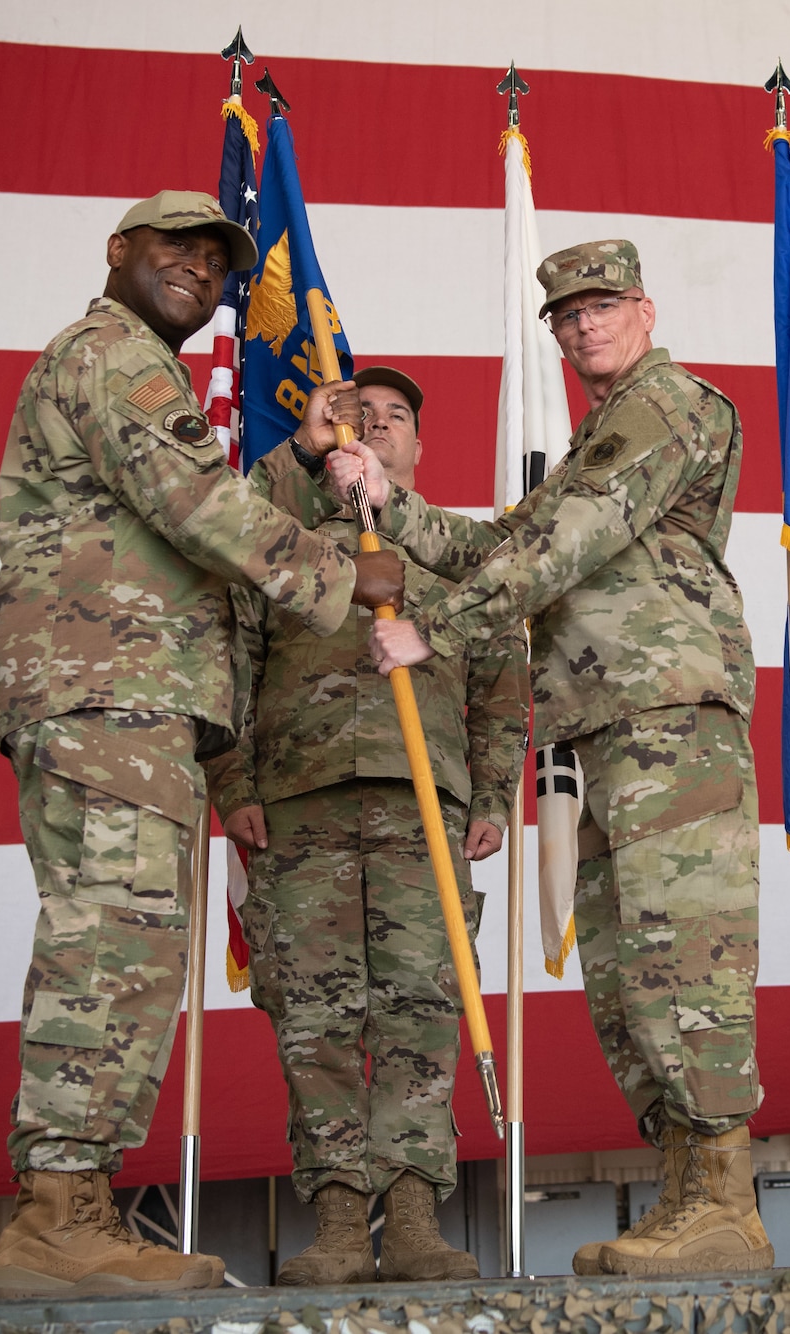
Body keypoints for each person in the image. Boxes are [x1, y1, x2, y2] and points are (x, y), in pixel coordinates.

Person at [0, 190, 403, 1298]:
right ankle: (57, 1212)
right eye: (174, 248)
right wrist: (335, 568)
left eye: (215, 260)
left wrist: (299, 470)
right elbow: (192, 505)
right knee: (108, 938)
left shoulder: (131, 366)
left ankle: (74, 1204)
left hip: (130, 691)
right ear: (118, 253)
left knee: (130, 941)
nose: (198, 272)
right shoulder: (112, 354)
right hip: (101, 686)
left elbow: (185, 537)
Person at [332, 240, 771, 1276]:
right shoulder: (594, 437)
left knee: (685, 963)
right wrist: (390, 504)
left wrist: (431, 626)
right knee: (628, 971)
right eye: (564, 316)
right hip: (604, 727)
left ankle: (724, 1203)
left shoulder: (669, 407)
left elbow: (565, 541)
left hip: (668, 716)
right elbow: (505, 540)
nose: (581, 328)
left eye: (601, 306)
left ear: (645, 310)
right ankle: (685, 1194)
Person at [206, 365, 530, 1284]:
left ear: (418, 448)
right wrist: (235, 786)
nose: (378, 428)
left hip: (422, 807)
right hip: (299, 806)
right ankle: (342, 1221)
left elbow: (502, 687)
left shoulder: (457, 553)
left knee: (422, 1011)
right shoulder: (282, 545)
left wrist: (495, 797)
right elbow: (229, 661)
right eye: (362, 415)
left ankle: (417, 1217)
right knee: (313, 1017)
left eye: (395, 419)